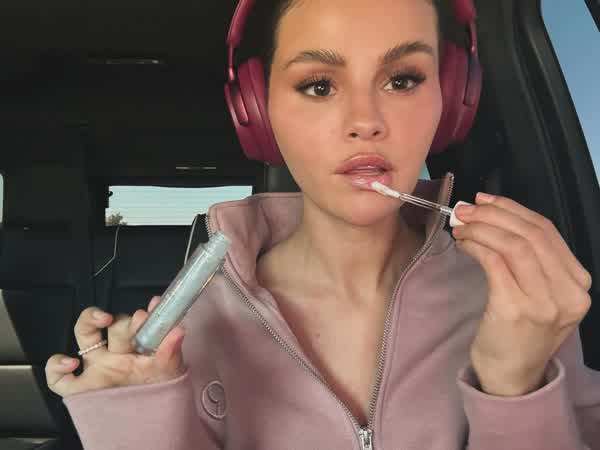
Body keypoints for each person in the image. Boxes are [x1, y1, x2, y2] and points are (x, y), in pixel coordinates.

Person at [46, 0, 600, 449]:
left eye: (402, 79)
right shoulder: (187, 328)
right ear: (258, 111)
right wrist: (135, 422)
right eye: (318, 85)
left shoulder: (520, 302)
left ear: (452, 98)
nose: (365, 121)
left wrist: (515, 385)